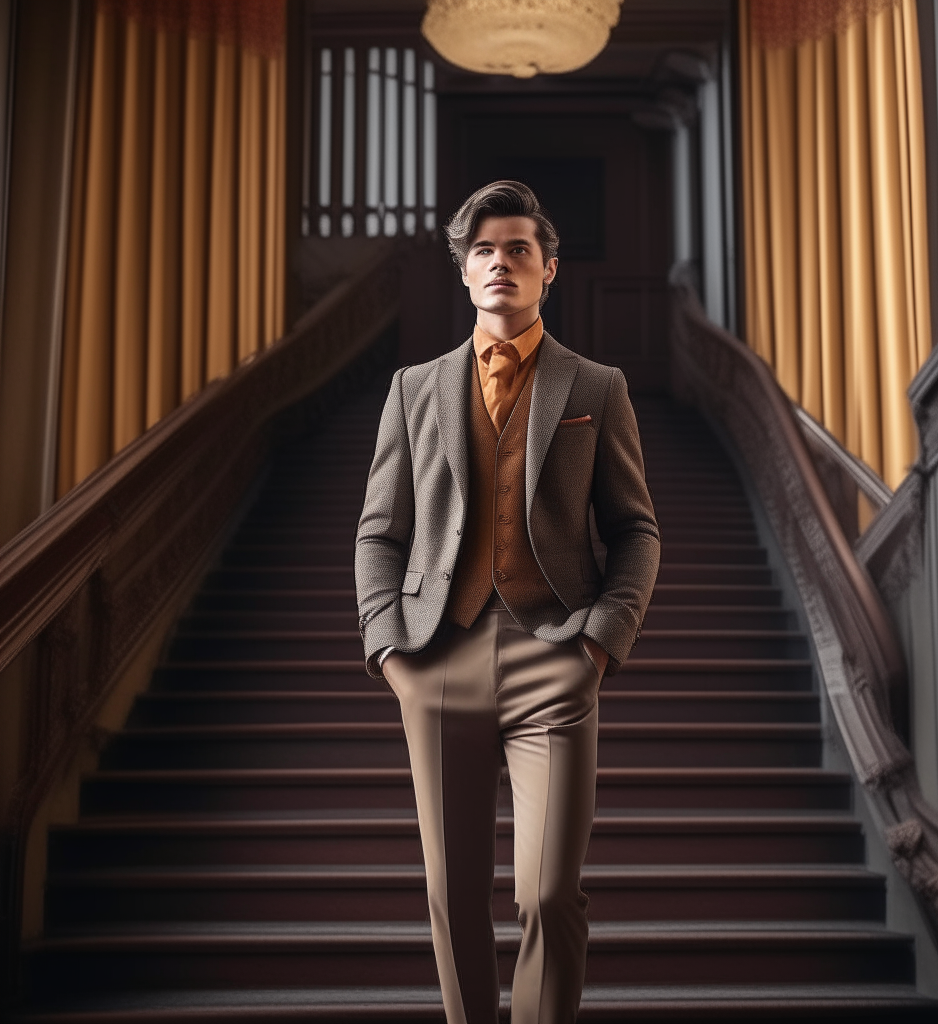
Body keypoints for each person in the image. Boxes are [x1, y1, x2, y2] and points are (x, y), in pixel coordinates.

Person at [354, 180, 660, 1024]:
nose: (500, 262)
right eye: (484, 250)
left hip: (554, 659)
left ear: (547, 269)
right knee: (453, 902)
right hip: (437, 660)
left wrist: (599, 645)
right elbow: (378, 533)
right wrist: (390, 653)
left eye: (518, 248)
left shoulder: (596, 386)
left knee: (549, 893)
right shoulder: (413, 389)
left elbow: (636, 530)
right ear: (464, 272)